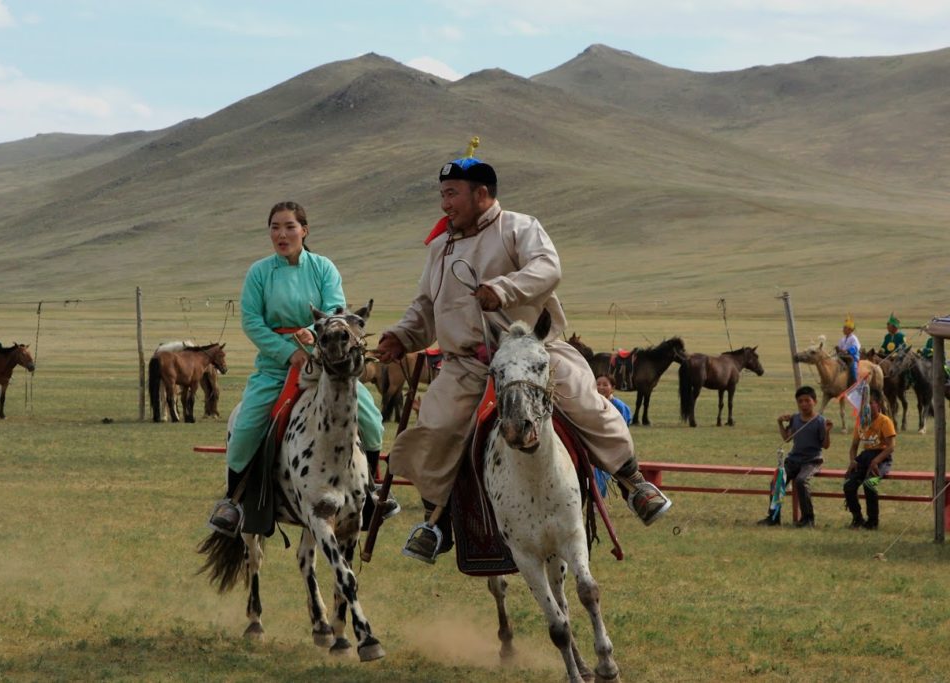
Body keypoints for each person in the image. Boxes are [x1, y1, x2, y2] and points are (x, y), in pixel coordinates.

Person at [373, 142, 672, 562]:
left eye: (452, 194)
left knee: (583, 400)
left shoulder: (519, 226)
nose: (445, 203)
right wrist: (402, 337)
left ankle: (633, 482)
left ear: (482, 194)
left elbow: (549, 267)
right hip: (469, 366)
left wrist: (504, 289)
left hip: (531, 354)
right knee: (435, 426)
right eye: (442, 195)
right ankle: (437, 521)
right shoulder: (440, 248)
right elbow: (426, 304)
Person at [208, 201, 397, 535]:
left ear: (304, 231)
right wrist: (286, 352)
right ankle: (234, 501)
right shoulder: (259, 273)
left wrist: (313, 338)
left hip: (324, 364)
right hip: (274, 368)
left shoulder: (323, 268)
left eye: (289, 226)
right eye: (275, 227)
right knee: (246, 427)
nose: (282, 234)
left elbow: (333, 308)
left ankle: (371, 491)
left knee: (370, 419)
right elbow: (252, 321)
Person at [757, 386, 832, 528]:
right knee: (777, 482)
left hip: (812, 461)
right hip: (794, 460)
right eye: (800, 401)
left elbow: (825, 445)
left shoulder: (820, 421)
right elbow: (787, 438)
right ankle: (773, 517)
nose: (804, 404)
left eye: (807, 401)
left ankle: (808, 519)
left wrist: (827, 432)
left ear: (814, 401)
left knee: (801, 481)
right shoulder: (795, 419)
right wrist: (780, 423)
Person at [844, 392, 896, 530]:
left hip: (882, 458)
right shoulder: (861, 422)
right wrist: (852, 461)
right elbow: (854, 447)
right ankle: (857, 518)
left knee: (869, 484)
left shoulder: (885, 421)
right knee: (849, 485)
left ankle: (872, 521)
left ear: (878, 404)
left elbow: (891, 447)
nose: (866, 406)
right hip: (865, 456)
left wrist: (876, 461)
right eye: (863, 404)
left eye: (870, 403)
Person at [594, 374, 632, 497]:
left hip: (611, 448)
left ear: (613, 388)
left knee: (599, 471)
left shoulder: (619, 406)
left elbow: (623, 428)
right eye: (598, 384)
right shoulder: (591, 403)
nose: (601, 387)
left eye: (605, 385)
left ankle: (597, 498)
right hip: (593, 444)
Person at [836, 314, 860, 384]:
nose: (843, 329)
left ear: (850, 330)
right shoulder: (842, 339)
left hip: (852, 357)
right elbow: (840, 347)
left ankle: (855, 383)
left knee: (852, 367)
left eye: (845, 328)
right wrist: (838, 349)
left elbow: (855, 348)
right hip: (843, 357)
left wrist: (847, 351)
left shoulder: (854, 338)